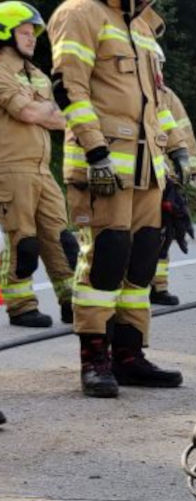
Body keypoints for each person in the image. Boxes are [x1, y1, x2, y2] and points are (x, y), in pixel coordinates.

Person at [50, 0, 188, 397]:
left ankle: (128, 356)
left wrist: (176, 146)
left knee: (143, 258)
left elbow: (157, 101)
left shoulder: (142, 26)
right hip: (104, 165)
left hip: (148, 167)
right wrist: (94, 149)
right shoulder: (79, 13)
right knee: (106, 258)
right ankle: (95, 359)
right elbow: (69, 85)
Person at [0, 1, 79, 329]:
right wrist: (42, 111)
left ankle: (69, 301)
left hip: (42, 168)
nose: (32, 38)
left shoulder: (38, 75)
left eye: (34, 33)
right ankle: (20, 306)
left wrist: (43, 112)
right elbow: (32, 114)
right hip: (11, 167)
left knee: (61, 238)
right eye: (25, 32)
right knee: (24, 241)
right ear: (5, 33)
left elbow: (61, 120)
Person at [149, 39, 196, 306]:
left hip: (166, 178)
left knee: (165, 234)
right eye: (153, 65)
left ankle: (158, 287)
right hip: (139, 177)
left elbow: (182, 134)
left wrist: (191, 168)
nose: (158, 71)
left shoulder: (167, 97)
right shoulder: (132, 93)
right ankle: (130, 288)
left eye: (160, 66)